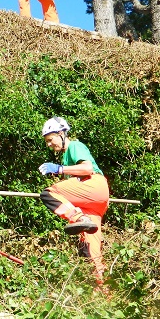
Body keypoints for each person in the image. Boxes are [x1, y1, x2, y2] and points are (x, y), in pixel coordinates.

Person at [38, 117, 110, 285]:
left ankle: (78, 217)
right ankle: (102, 290)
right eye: (47, 141)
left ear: (61, 133)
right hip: (94, 203)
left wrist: (59, 169)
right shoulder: (66, 157)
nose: (49, 144)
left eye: (50, 139)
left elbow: (87, 168)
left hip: (93, 185)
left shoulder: (74, 146)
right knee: (91, 251)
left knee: (48, 194)